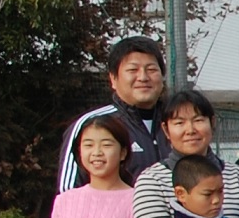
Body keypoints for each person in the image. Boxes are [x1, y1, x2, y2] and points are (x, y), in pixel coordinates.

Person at [57, 35, 168, 192]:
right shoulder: (92, 124)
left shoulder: (179, 123)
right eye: (132, 70)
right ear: (113, 79)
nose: (143, 77)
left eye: (151, 69)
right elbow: (69, 195)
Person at [40, 113, 139, 218]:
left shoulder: (137, 200)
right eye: (88, 145)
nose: (97, 152)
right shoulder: (65, 200)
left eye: (106, 145)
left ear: (123, 152)